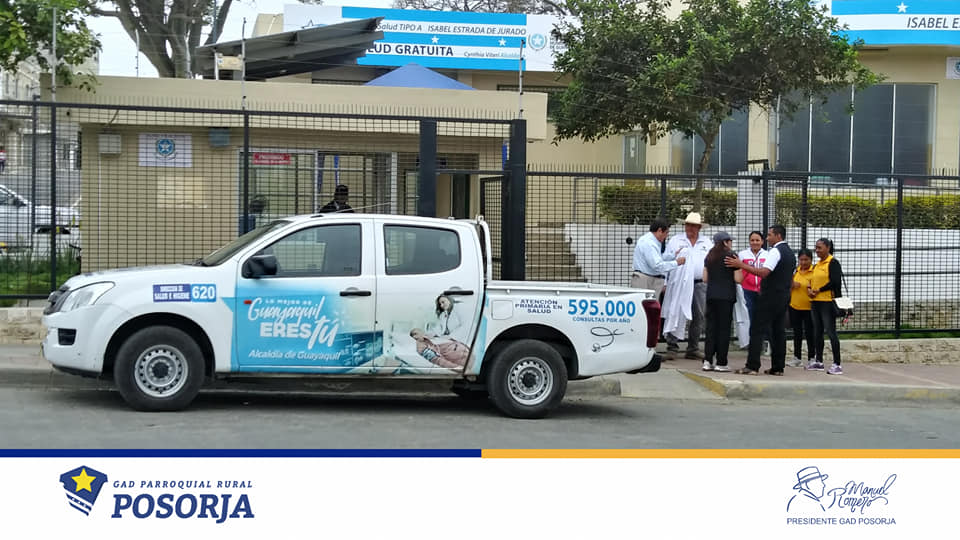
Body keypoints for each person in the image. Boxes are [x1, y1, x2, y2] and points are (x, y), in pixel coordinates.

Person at [725, 224, 796, 376]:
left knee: (757, 329)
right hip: (783, 296)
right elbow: (790, 277)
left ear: (778, 236)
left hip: (770, 296)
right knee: (778, 331)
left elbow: (764, 272)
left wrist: (741, 265)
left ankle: (752, 366)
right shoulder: (790, 253)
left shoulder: (775, 251)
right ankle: (778, 367)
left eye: (770, 235)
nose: (767, 238)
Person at [662, 212, 710, 359]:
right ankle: (672, 346)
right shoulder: (675, 240)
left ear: (699, 227)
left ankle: (693, 348)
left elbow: (711, 262)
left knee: (698, 315)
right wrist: (665, 282)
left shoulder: (707, 242)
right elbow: (666, 261)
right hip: (679, 283)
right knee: (675, 311)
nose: (690, 228)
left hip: (699, 283)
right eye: (688, 225)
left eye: (693, 225)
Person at [701, 231, 742, 372]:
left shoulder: (709, 256)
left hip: (711, 295)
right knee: (724, 329)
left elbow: (705, 278)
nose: (731, 243)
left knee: (711, 328)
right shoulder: (732, 256)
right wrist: (739, 267)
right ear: (725, 242)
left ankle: (707, 360)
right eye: (730, 241)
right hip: (726, 297)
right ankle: (721, 362)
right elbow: (738, 279)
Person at [807, 238, 844, 375]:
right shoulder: (817, 265)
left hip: (827, 302)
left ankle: (837, 364)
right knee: (817, 332)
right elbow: (811, 280)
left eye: (820, 248)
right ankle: (819, 361)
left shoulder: (832, 263)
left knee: (831, 332)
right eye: (816, 248)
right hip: (815, 301)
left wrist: (820, 290)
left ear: (828, 248)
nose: (817, 250)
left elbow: (835, 282)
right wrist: (810, 290)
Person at [631, 218, 686, 298]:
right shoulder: (649, 243)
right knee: (643, 304)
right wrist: (676, 263)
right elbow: (657, 265)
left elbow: (658, 258)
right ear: (660, 230)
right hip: (645, 281)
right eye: (666, 232)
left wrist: (673, 255)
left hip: (647, 279)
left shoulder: (652, 241)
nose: (666, 236)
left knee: (647, 305)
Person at [737, 231, 768, 351]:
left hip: (762, 290)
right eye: (752, 240)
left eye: (757, 240)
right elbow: (738, 270)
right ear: (749, 241)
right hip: (746, 290)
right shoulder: (742, 255)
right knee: (748, 316)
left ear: (762, 241)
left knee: (761, 316)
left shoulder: (767, 255)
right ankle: (749, 342)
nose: (755, 242)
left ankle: (761, 342)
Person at [788, 248, 816, 368]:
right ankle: (797, 357)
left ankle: (812, 358)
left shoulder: (814, 272)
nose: (803, 262)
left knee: (810, 333)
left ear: (811, 260)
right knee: (797, 333)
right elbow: (787, 285)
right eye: (801, 260)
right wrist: (792, 284)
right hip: (795, 306)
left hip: (809, 307)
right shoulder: (795, 271)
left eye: (806, 260)